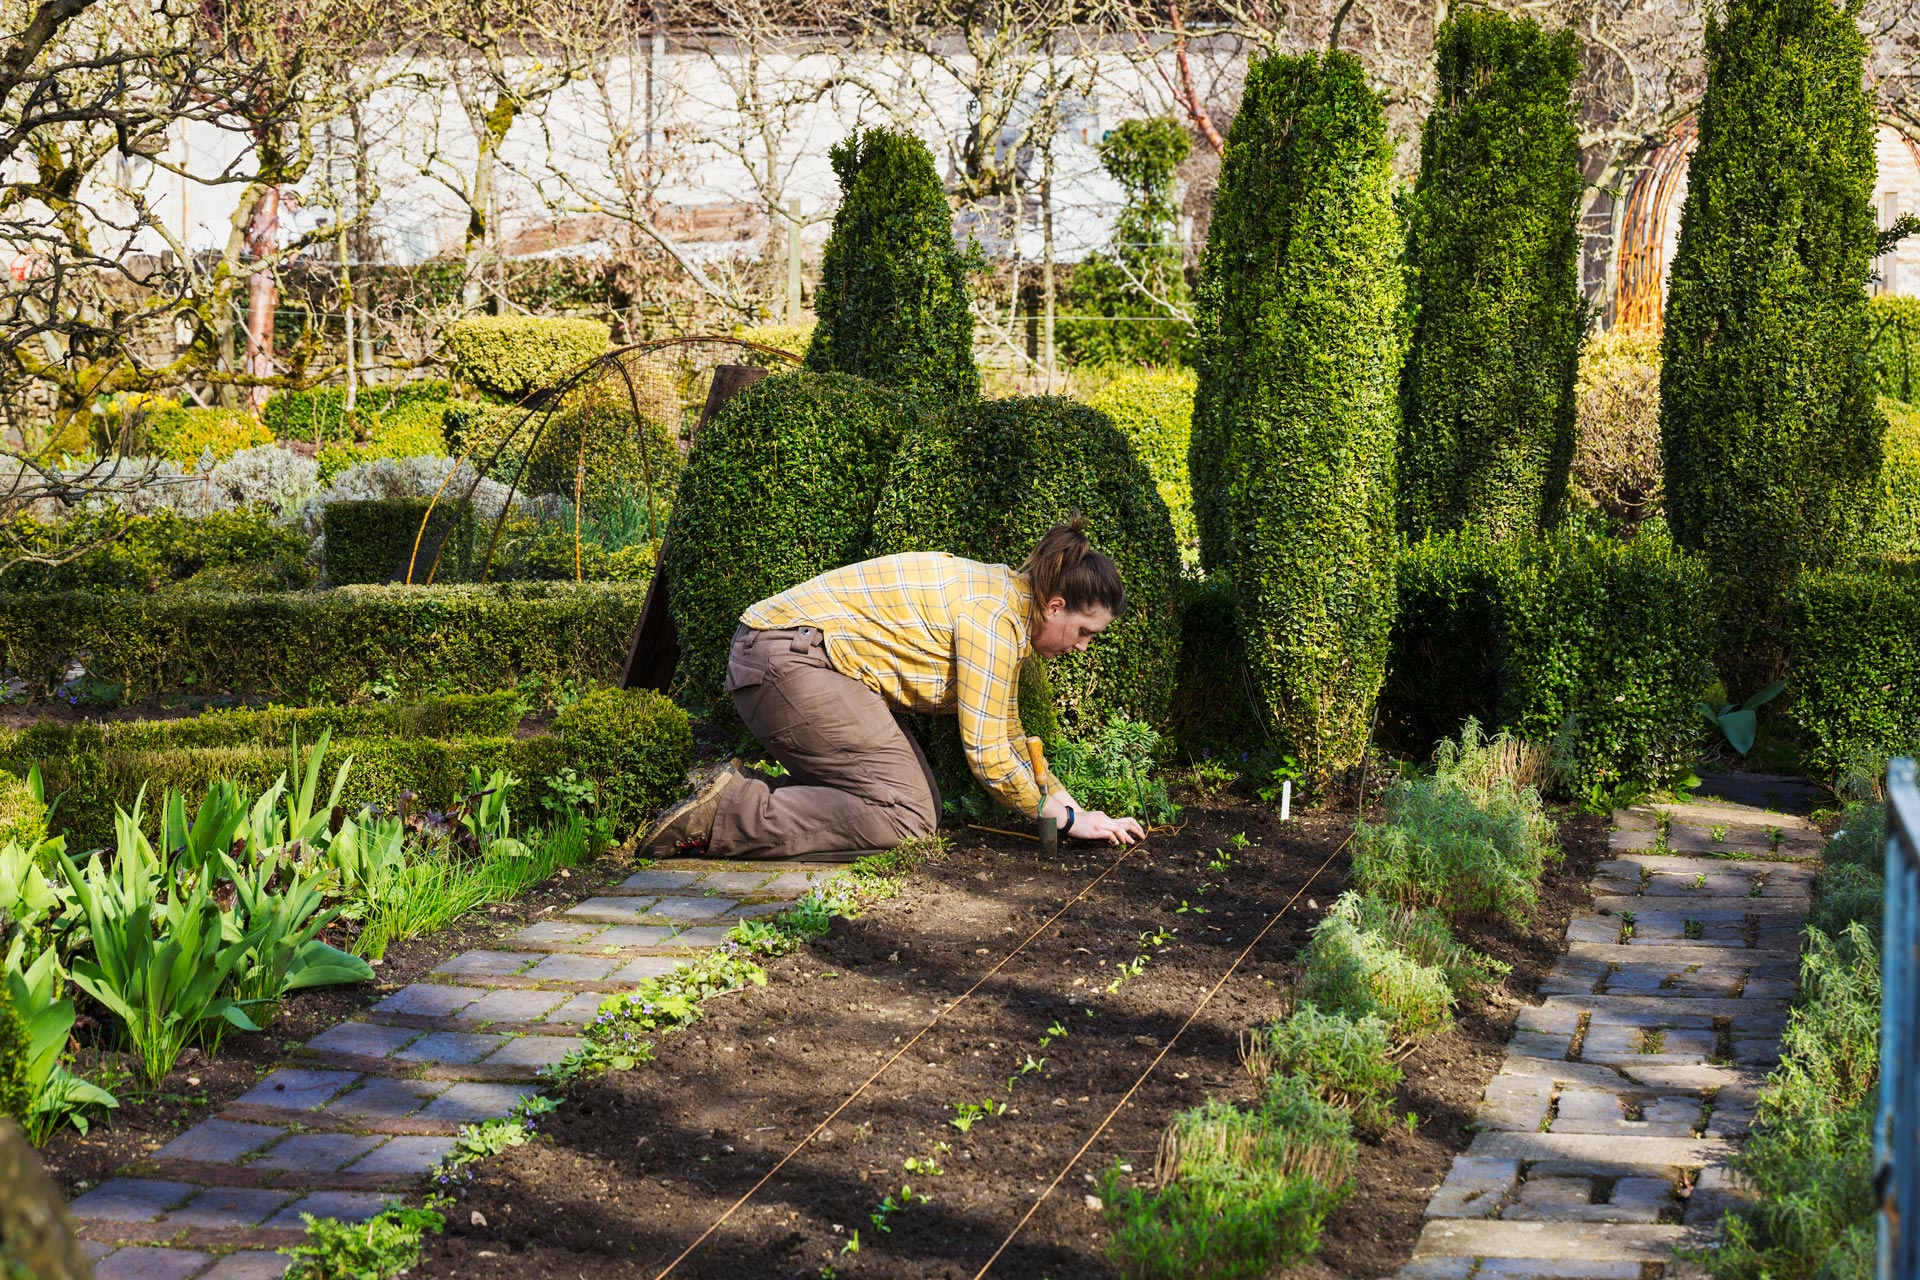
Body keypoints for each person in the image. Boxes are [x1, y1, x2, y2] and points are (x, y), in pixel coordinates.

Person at [642, 516, 1148, 860]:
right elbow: (989, 754)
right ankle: (723, 814)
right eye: (1085, 632)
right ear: (1056, 606)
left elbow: (1007, 732)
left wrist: (1073, 808)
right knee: (907, 817)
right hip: (785, 661)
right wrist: (1061, 820)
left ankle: (735, 797)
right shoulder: (994, 617)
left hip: (795, 659)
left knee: (915, 802)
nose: (1083, 646)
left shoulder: (1005, 605)